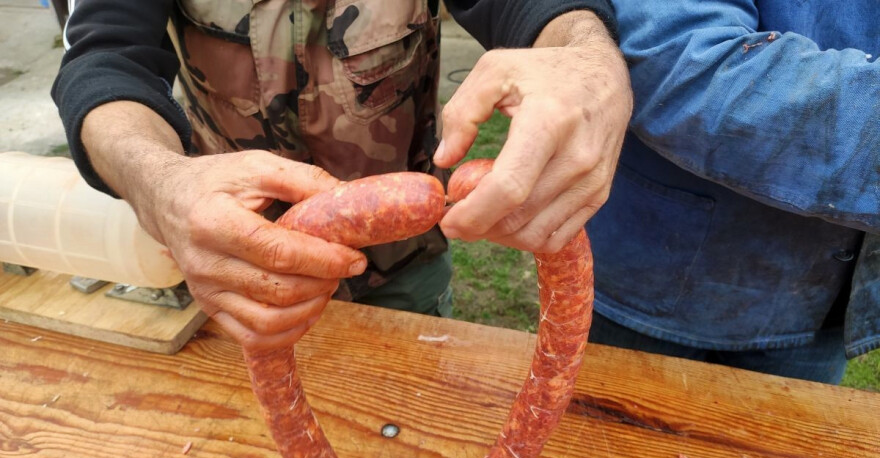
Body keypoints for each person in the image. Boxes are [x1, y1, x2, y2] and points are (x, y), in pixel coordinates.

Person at [52, 1, 632, 351]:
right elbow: (102, 61)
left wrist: (583, 53)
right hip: (235, 267)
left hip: (404, 269)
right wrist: (159, 182)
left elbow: (547, 7)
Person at [586, 0, 880, 384]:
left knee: (784, 443)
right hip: (656, 282)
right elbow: (678, 55)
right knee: (606, 434)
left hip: (823, 301)